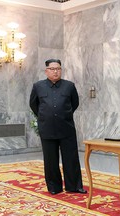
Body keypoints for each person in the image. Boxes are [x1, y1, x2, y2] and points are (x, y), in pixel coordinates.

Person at [29, 59, 86, 195]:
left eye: (58, 69)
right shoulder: (38, 86)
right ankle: (54, 187)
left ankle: (74, 186)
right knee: (50, 160)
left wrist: (63, 114)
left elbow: (75, 103)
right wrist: (45, 116)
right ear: (46, 71)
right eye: (53, 69)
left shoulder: (69, 86)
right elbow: (33, 104)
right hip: (47, 128)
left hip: (66, 128)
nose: (56, 71)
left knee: (71, 158)